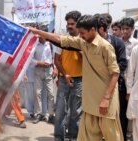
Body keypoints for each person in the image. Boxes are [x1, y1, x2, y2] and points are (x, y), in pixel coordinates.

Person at [29, 14, 123, 141]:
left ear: (93, 30)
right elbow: (60, 39)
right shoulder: (83, 43)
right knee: (88, 136)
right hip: (90, 101)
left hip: (105, 100)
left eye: (83, 33)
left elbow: (115, 73)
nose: (81, 35)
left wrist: (106, 98)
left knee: (111, 135)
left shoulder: (105, 47)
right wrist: (36, 31)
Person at [96, 15, 128, 140]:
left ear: (104, 29)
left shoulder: (117, 43)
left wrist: (108, 70)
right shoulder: (91, 43)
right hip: (96, 85)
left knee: (116, 115)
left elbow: (123, 63)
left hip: (114, 85)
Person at [53, 10, 82, 141]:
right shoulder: (62, 40)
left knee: (76, 112)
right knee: (60, 110)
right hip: (64, 79)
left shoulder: (84, 40)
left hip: (80, 80)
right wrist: (65, 74)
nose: (70, 26)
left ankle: (73, 137)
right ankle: (59, 137)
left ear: (78, 24)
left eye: (72, 24)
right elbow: (56, 60)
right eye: (68, 23)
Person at [32, 26, 55, 124]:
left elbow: (55, 57)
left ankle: (50, 115)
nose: (40, 36)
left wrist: (55, 69)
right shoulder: (34, 45)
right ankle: (38, 114)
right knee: (37, 93)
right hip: (38, 70)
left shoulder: (50, 44)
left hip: (49, 70)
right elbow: (30, 59)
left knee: (51, 94)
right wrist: (38, 63)